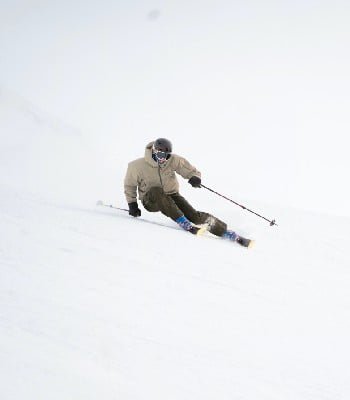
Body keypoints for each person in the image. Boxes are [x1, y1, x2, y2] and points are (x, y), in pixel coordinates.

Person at [124, 138, 252, 247]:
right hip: (151, 199)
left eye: (167, 156)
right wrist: (132, 204)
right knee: (157, 191)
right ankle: (183, 222)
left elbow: (186, 168)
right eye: (161, 155)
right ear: (154, 151)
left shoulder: (173, 160)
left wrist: (194, 177)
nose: (163, 159)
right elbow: (129, 185)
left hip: (171, 195)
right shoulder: (136, 166)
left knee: (194, 215)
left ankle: (224, 231)